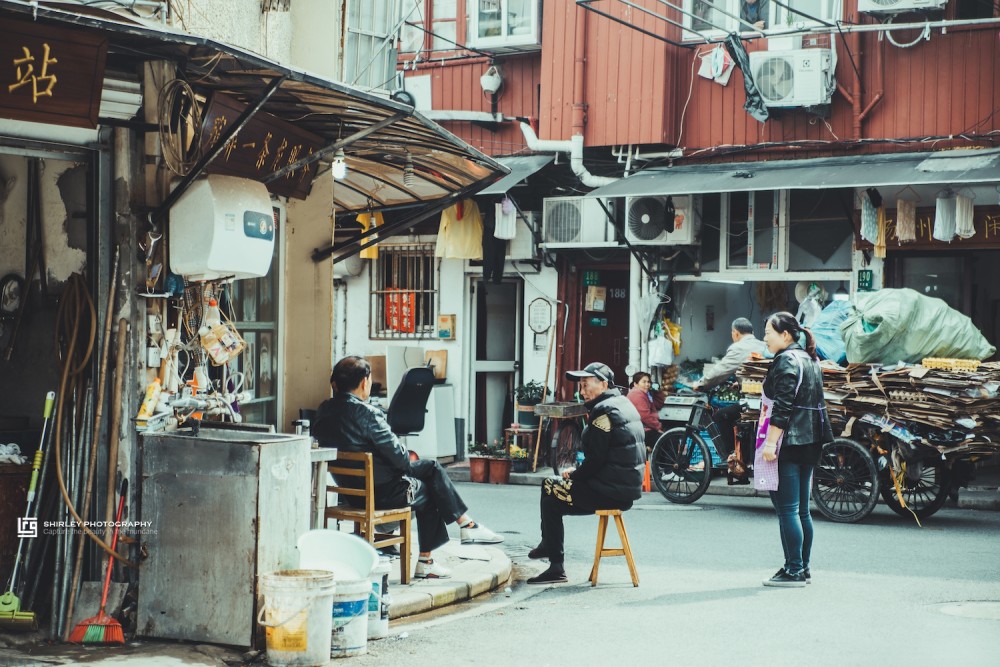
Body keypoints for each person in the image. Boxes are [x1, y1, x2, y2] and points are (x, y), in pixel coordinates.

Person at [313, 355, 503, 579]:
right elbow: (401, 460)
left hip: (349, 493)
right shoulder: (367, 414)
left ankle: (464, 527)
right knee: (430, 482)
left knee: (430, 472)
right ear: (365, 382)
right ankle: (437, 551)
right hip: (382, 493)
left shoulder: (324, 410)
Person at [527, 362, 645, 585]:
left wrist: (575, 475)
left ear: (602, 384)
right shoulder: (621, 403)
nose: (581, 392)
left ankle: (555, 563)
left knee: (550, 489)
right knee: (551, 496)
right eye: (580, 386)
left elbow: (596, 459)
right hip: (622, 488)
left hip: (609, 491)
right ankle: (550, 551)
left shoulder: (603, 412)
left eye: (585, 385)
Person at [759, 312, 833, 587]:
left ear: (785, 335)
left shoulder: (786, 360)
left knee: (787, 510)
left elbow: (783, 405)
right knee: (802, 510)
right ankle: (803, 567)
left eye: (768, 332)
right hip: (811, 439)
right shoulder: (809, 359)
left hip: (789, 441)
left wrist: (770, 443)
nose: (765, 337)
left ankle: (793, 570)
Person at [694, 318, 767, 462]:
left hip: (755, 403)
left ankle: (732, 457)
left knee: (721, 415)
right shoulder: (762, 345)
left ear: (735, 333)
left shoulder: (738, 347)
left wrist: (701, 384)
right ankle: (743, 455)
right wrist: (738, 383)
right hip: (763, 399)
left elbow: (720, 370)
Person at [626, 371, 665, 453]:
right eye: (644, 382)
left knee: (667, 438)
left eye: (648, 382)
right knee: (667, 441)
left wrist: (657, 391)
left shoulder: (645, 394)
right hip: (640, 431)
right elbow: (645, 416)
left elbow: (658, 404)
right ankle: (666, 465)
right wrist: (658, 427)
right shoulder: (636, 394)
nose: (647, 385)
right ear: (635, 384)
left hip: (645, 429)